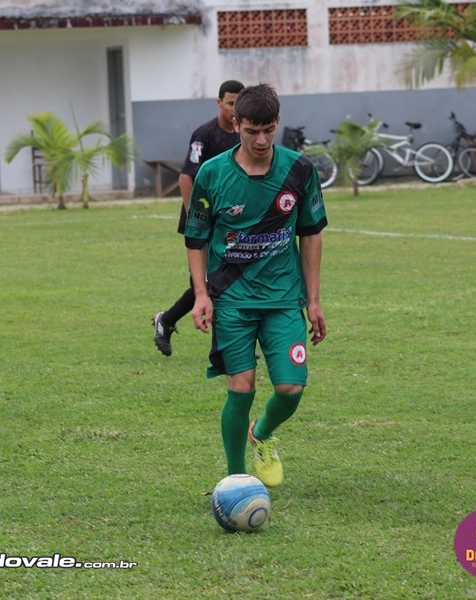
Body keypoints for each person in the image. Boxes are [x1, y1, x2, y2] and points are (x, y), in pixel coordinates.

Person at [183, 83, 327, 488]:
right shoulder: (212, 174)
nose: (261, 140)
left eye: (268, 130)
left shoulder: (299, 170)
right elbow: (195, 239)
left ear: (277, 123)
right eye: (251, 131)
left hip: (283, 298)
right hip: (232, 299)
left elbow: (311, 234)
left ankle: (261, 434)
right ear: (236, 125)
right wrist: (201, 294)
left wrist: (314, 300)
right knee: (241, 388)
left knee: (291, 388)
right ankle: (236, 480)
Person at [152, 79, 245, 357]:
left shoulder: (244, 135)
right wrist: (197, 217)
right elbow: (186, 178)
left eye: (239, 104)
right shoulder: (204, 135)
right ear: (219, 103)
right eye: (230, 103)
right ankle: (226, 346)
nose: (234, 109)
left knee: (222, 278)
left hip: (228, 220)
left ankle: (167, 320)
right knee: (209, 281)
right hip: (203, 220)